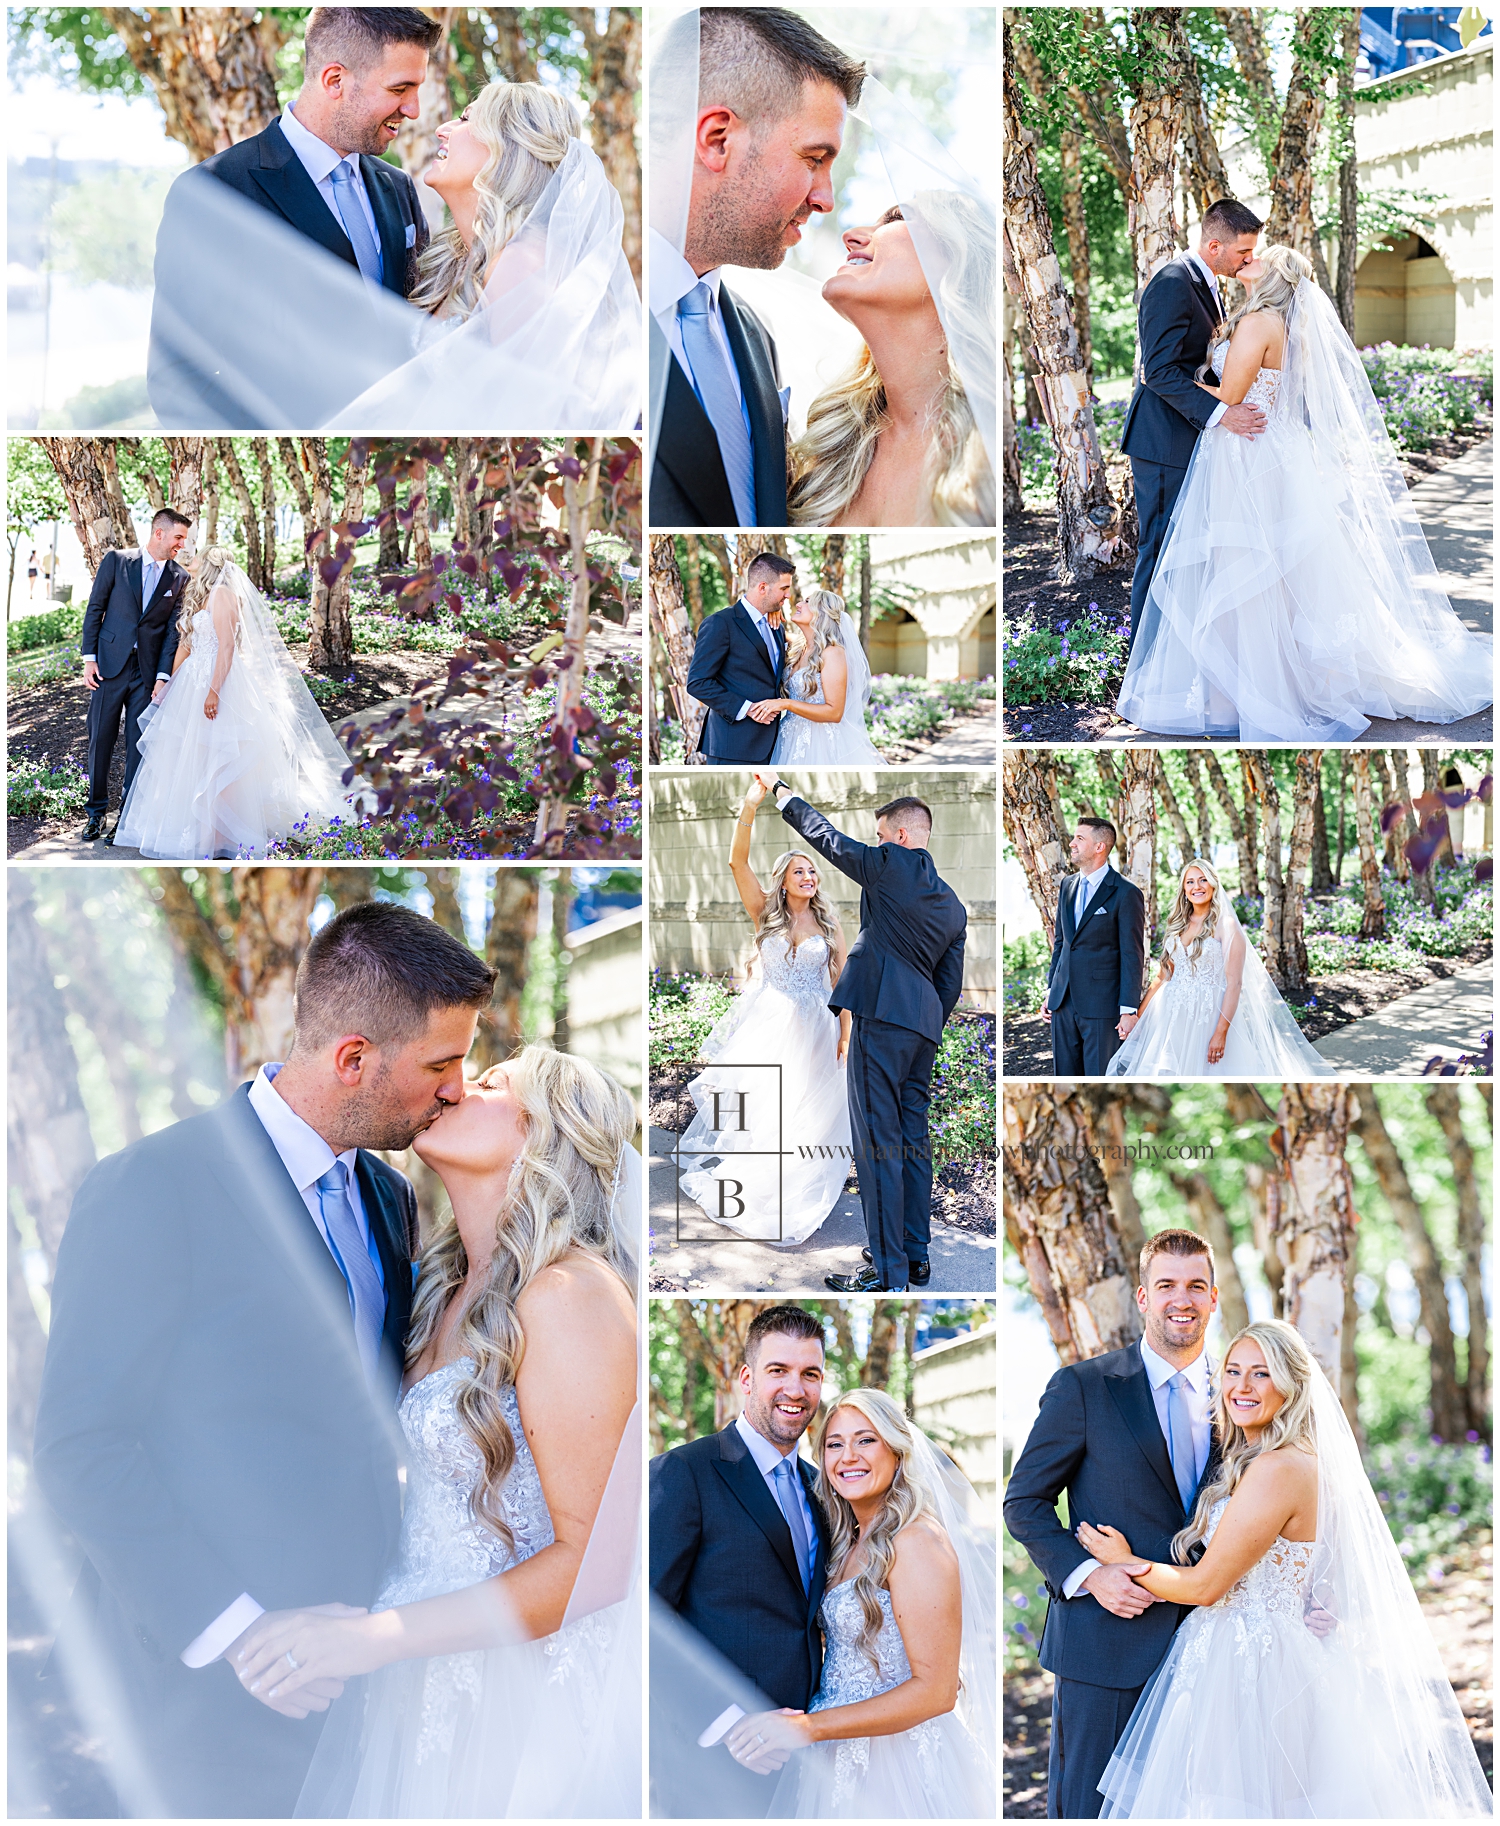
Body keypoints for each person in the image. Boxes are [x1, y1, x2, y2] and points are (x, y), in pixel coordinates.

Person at [33, 903, 497, 1818]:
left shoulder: (389, 1198)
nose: (454, 1090)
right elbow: (79, 1448)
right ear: (354, 1058)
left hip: (354, 1669)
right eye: (440, 1065)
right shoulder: (154, 1185)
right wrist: (241, 1635)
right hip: (194, 1688)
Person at [239, 1046, 643, 1819]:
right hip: (423, 1682)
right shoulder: (439, 1290)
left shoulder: (569, 1295)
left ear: (545, 1136)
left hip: (526, 1706)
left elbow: (595, 1565)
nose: (457, 1087)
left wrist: (373, 1637)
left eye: (492, 1084)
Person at [1081, 1318, 1493, 1818]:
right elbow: (1319, 1564)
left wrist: (1125, 1563)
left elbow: (1207, 1585)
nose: (1241, 1386)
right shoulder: (1275, 1460)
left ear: (1292, 1384)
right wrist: (1320, 1596)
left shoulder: (1278, 1469)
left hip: (1253, 1667)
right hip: (1253, 1651)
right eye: (1233, 1371)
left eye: (1262, 1373)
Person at [1118, 243, 1493, 739]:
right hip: (1267, 447)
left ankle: (1245, 692)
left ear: (1273, 276)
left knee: (1243, 567)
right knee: (1268, 573)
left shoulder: (1257, 324)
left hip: (1245, 452)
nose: (1247, 259)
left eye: (1257, 257)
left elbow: (1232, 396)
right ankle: (1253, 684)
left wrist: (1184, 382)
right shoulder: (1278, 323)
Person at [1002, 1230, 1228, 1820]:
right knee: (1089, 1811)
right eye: (1167, 1285)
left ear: (1213, 1298)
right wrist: (1089, 1575)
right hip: (1105, 1642)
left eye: (1196, 1286)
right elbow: (1023, 1503)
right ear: (1143, 1297)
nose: (1183, 1298)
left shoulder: (1239, 1397)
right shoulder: (1085, 1388)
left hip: (1213, 1643)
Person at [148, 7, 439, 427]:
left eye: (417, 90)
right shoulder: (214, 192)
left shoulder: (398, 188)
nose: (412, 109)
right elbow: (177, 381)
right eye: (400, 88)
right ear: (334, 80)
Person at [725, 1388, 995, 1818]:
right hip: (833, 1757)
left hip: (897, 1764)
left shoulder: (918, 1541)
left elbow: (938, 1691)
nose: (848, 1456)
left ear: (897, 1450)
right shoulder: (842, 1539)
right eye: (835, 1444)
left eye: (866, 1440)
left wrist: (807, 1727)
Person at [649, 9, 866, 526]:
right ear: (718, 139)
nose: (825, 199)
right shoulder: (598, 302)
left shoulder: (755, 336)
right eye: (814, 158)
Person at [759, 775, 967, 1293]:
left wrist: (782, 793)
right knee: (913, 1143)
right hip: (922, 1030)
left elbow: (829, 840)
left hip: (879, 1016)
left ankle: (888, 1272)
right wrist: (926, 1025)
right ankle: (915, 1258)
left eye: (879, 837)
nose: (874, 845)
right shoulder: (953, 904)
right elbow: (950, 982)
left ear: (898, 836)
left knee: (877, 1145)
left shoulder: (888, 864)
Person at [649, 1306, 832, 1817]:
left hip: (806, 1755)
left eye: (810, 1374)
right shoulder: (683, 1472)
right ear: (747, 1377)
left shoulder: (823, 1489)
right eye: (779, 1370)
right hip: (710, 1759)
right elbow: (644, 1621)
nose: (796, 1389)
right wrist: (729, 1723)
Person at [677, 774, 852, 1245]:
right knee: (765, 1110)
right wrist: (751, 806)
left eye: (813, 871)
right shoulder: (764, 913)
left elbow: (842, 985)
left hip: (816, 1025)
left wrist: (845, 1034)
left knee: (803, 1113)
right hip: (770, 1024)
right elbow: (736, 861)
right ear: (783, 880)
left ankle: (789, 1189)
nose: (809, 877)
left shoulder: (830, 925)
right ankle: (753, 1185)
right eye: (800, 871)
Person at [113, 546, 356, 860]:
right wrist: (168, 685)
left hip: (219, 681)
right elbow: (186, 644)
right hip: (191, 681)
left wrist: (213, 691)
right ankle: (196, 829)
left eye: (200, 556)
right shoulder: (197, 594)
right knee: (192, 757)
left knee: (220, 755)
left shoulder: (224, 595)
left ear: (212, 564)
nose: (193, 558)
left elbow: (226, 648)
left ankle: (219, 833)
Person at [786, 192, 994, 528]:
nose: (850, 235)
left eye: (896, 218)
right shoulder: (825, 455)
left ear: (958, 260)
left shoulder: (988, 450)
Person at [1119, 197, 1266, 654]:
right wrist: (1226, 414)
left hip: (1189, 437)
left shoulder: (1207, 283)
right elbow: (1159, 371)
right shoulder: (1171, 282)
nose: (1250, 261)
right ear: (1214, 244)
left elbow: (1197, 364)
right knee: (1160, 551)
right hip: (1162, 441)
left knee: (1186, 551)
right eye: (1243, 253)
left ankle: (1177, 656)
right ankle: (1142, 665)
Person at [1106, 859, 1335, 1078]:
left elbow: (1234, 984)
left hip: (1207, 1017)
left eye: (1203, 880)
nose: (1197, 886)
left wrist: (1220, 1032)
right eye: (1190, 882)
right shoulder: (1177, 924)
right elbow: (1163, 976)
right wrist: (1138, 1016)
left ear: (1213, 884)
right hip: (1169, 1016)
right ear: (1184, 889)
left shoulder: (1226, 926)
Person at [78, 508, 192, 843]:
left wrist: (162, 676)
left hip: (146, 674)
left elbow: (172, 632)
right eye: (178, 537)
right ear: (159, 533)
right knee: (100, 739)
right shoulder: (116, 561)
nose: (181, 545)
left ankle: (125, 819)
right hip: (108, 668)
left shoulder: (179, 577)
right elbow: (95, 608)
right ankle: (96, 813)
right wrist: (89, 658)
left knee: (137, 745)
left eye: (183, 539)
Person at [1043, 817, 1148, 1077]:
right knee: (1064, 1081)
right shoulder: (1067, 885)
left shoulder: (1125, 893)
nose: (1072, 843)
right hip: (1062, 1003)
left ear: (1100, 847)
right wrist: (1050, 990)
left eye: (1080, 838)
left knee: (1100, 1078)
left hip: (1102, 1006)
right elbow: (1061, 943)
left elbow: (1131, 954)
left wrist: (1128, 1010)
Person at [687, 551, 794, 763]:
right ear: (763, 588)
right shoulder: (721, 624)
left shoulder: (776, 625)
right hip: (732, 746)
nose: (788, 595)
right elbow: (697, 683)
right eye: (784, 588)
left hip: (772, 746)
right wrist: (748, 708)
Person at [764, 590, 886, 765]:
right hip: (788, 736)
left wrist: (785, 703)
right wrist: (774, 609)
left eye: (807, 601)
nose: (798, 604)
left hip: (819, 741)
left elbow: (834, 712)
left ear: (821, 613)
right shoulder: (798, 647)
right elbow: (765, 630)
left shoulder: (833, 653)